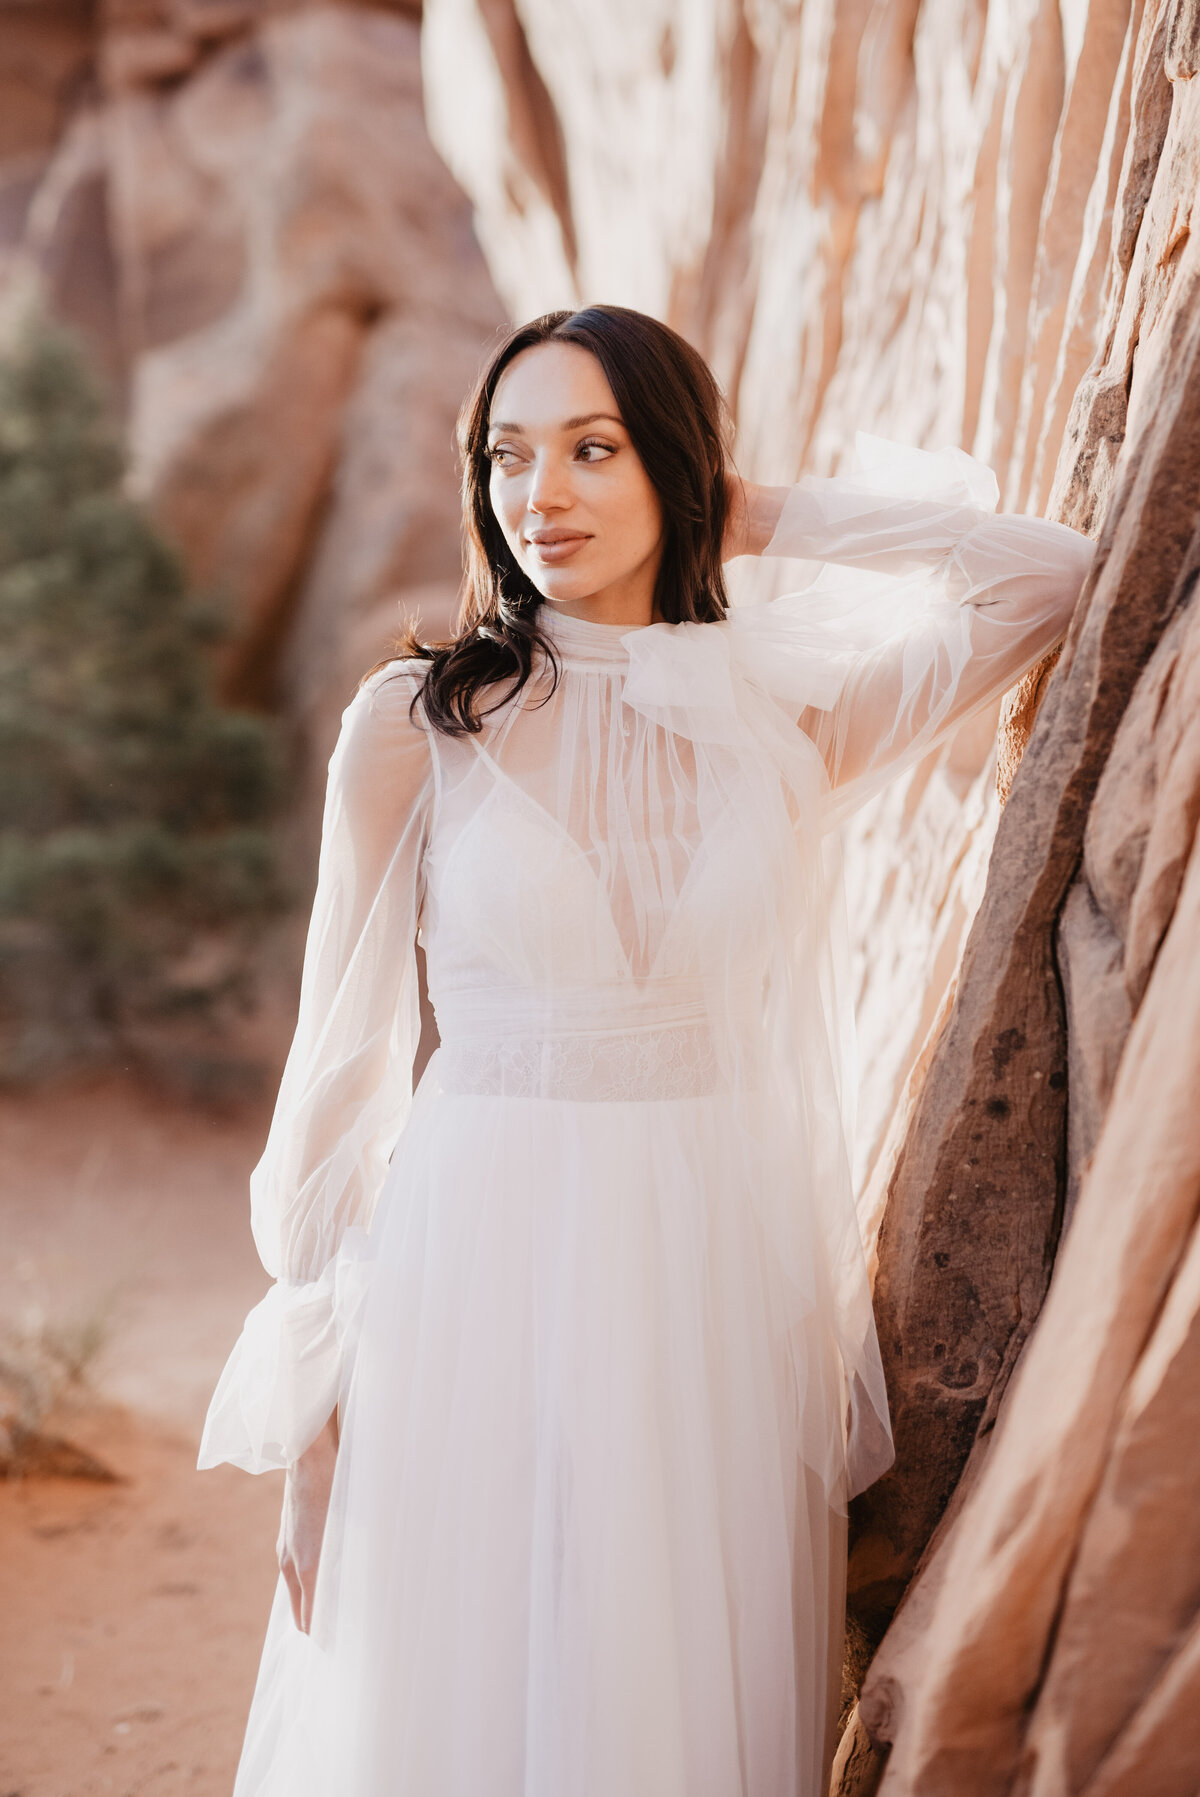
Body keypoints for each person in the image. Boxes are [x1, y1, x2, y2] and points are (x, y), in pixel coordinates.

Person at [198, 305, 1094, 1796]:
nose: (538, 492)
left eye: (593, 449)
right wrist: (312, 1426)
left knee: (660, 1688)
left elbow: (1049, 577)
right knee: (462, 1688)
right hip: (469, 1264)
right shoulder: (417, 728)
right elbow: (343, 1077)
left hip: (707, 1276)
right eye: (508, 455)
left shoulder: (778, 714)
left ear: (675, 468)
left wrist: (764, 511)